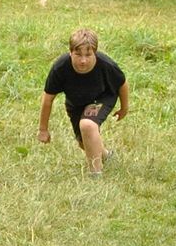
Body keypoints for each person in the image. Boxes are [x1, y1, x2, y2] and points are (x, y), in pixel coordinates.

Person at [37, 29, 129, 177]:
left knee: (87, 124)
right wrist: (43, 129)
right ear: (70, 53)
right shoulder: (60, 67)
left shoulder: (106, 64)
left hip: (103, 96)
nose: (83, 60)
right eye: (78, 54)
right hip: (76, 103)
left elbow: (122, 84)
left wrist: (124, 108)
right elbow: (48, 99)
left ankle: (96, 175)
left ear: (95, 53)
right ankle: (106, 155)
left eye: (88, 55)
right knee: (84, 142)